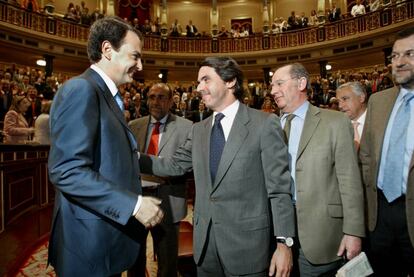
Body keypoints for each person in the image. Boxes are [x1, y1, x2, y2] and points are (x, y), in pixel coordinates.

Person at [140, 56, 295, 277]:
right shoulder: (199, 129)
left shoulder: (264, 124)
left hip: (248, 248)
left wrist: (284, 243)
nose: (198, 88)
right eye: (198, 82)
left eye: (205, 80)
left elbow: (279, 189)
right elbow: (174, 165)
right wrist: (133, 156)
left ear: (230, 81)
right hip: (205, 249)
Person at [47, 16, 164, 277]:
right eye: (135, 56)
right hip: (87, 245)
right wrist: (134, 205)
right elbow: (67, 171)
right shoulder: (81, 89)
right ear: (108, 50)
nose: (140, 65)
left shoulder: (106, 95)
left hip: (105, 236)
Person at [270, 63, 365, 276]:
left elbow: (349, 181)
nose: (272, 90)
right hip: (278, 233)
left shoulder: (335, 122)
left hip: (323, 234)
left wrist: (353, 232)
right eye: (272, 85)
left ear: (301, 83)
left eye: (279, 83)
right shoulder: (271, 125)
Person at [359, 26, 414, 277]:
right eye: (394, 56)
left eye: (410, 54)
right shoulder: (377, 101)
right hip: (379, 214)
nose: (399, 63)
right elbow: (366, 158)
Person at [128, 83, 193, 277]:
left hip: (168, 197)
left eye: (161, 97)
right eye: (152, 97)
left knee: (167, 261)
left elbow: (182, 166)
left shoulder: (187, 127)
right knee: (134, 258)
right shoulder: (134, 126)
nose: (155, 102)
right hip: (137, 198)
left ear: (171, 101)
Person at [336, 81, 367, 148]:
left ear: (361, 98)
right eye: (338, 101)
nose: (340, 106)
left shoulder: (378, 122)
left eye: (345, 99)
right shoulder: (337, 127)